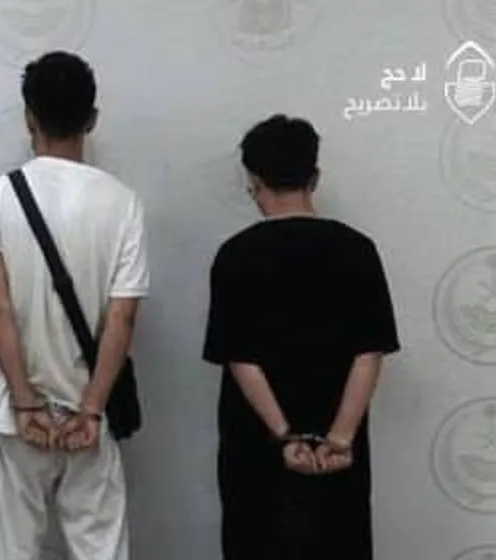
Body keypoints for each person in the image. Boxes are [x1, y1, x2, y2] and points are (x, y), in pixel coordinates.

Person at [0, 51, 149, 560]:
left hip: (13, 414)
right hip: (90, 413)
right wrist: (91, 408)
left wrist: (25, 402)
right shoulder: (123, 203)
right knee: (101, 549)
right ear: (92, 118)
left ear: (29, 117)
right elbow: (123, 317)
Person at [202, 114, 401, 560]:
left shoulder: (236, 255)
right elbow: (369, 352)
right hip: (338, 454)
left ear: (254, 181)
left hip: (256, 447)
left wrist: (284, 436)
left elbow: (241, 358)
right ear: (314, 177)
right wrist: (340, 438)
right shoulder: (357, 249)